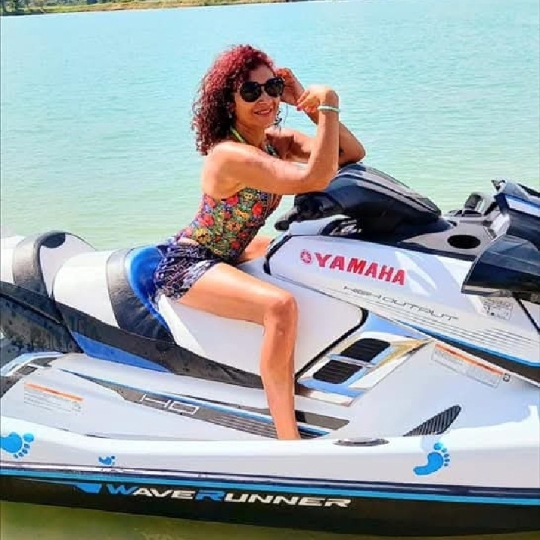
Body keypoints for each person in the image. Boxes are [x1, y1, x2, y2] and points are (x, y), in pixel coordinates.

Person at [154, 44, 365, 440]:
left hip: (234, 251)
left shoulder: (273, 143)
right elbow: (315, 178)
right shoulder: (228, 155)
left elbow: (349, 154)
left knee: (309, 252)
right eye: (251, 92)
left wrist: (305, 103)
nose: (265, 99)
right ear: (229, 103)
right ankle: (288, 439)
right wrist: (328, 104)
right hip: (191, 263)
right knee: (279, 307)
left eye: (272, 87)